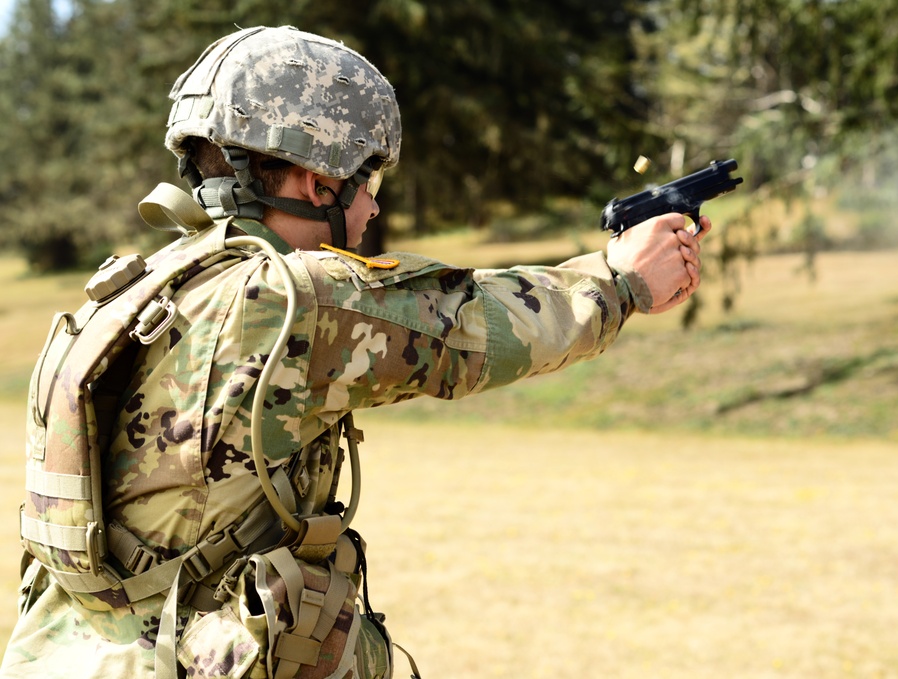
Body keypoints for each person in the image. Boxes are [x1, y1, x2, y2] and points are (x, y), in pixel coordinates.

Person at [0, 25, 710, 679]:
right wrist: (620, 279)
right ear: (319, 183)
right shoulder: (291, 298)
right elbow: (478, 326)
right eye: (366, 184)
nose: (371, 212)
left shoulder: (135, 288)